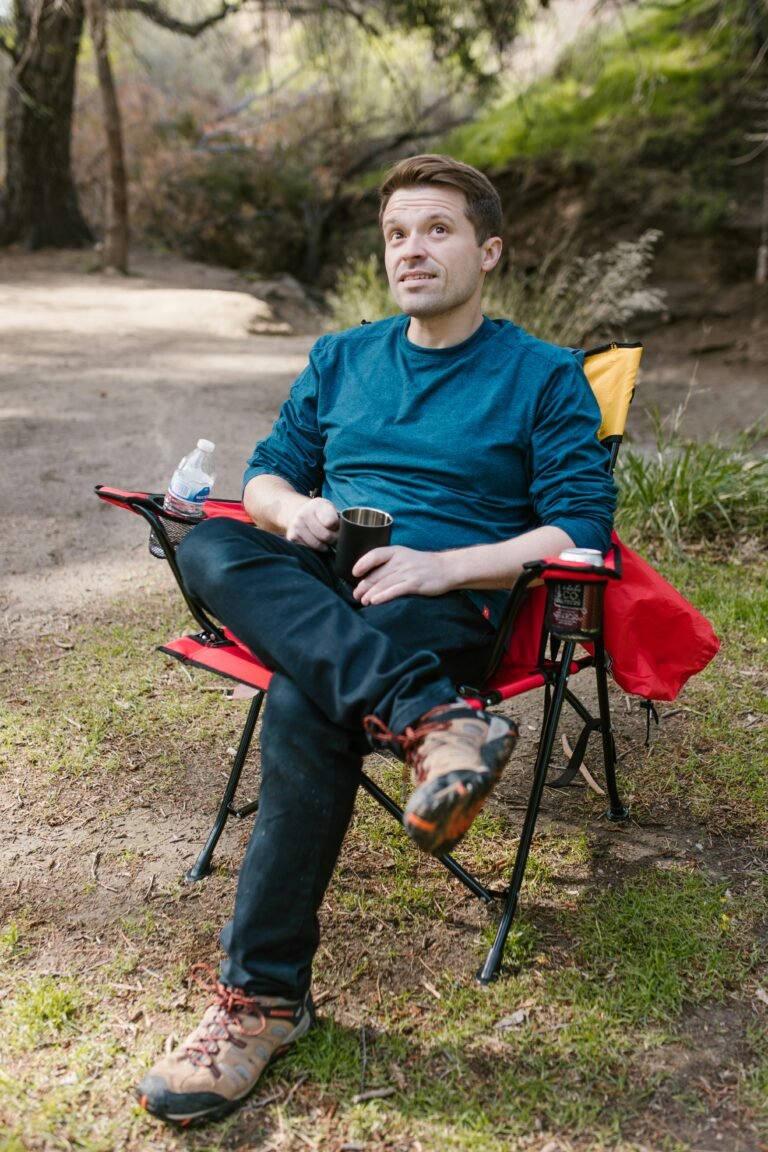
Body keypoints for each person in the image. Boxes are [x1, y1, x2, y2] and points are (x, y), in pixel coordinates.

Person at [137, 154, 616, 1126]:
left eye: (437, 229)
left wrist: (441, 567)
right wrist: (295, 509)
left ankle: (262, 1002)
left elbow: (580, 531)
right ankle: (431, 717)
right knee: (216, 542)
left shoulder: (544, 375)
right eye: (398, 233)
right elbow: (267, 473)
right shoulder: (343, 357)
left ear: (488, 251)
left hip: (440, 595)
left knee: (310, 692)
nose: (413, 249)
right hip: (326, 572)